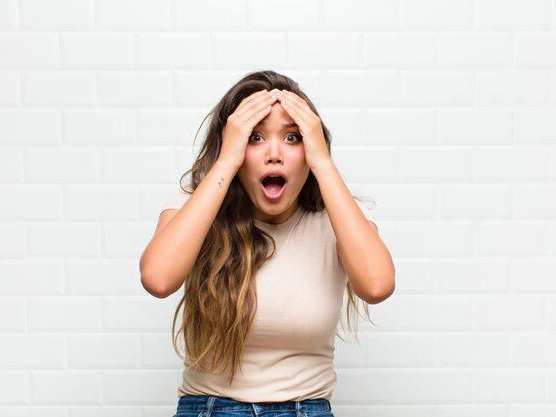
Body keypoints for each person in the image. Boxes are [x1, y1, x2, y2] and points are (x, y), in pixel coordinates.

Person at [139, 70, 395, 417]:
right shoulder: (197, 203)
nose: (274, 153)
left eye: (292, 138)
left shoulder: (337, 215)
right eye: (255, 137)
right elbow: (158, 278)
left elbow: (377, 285)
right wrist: (226, 160)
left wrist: (322, 162)